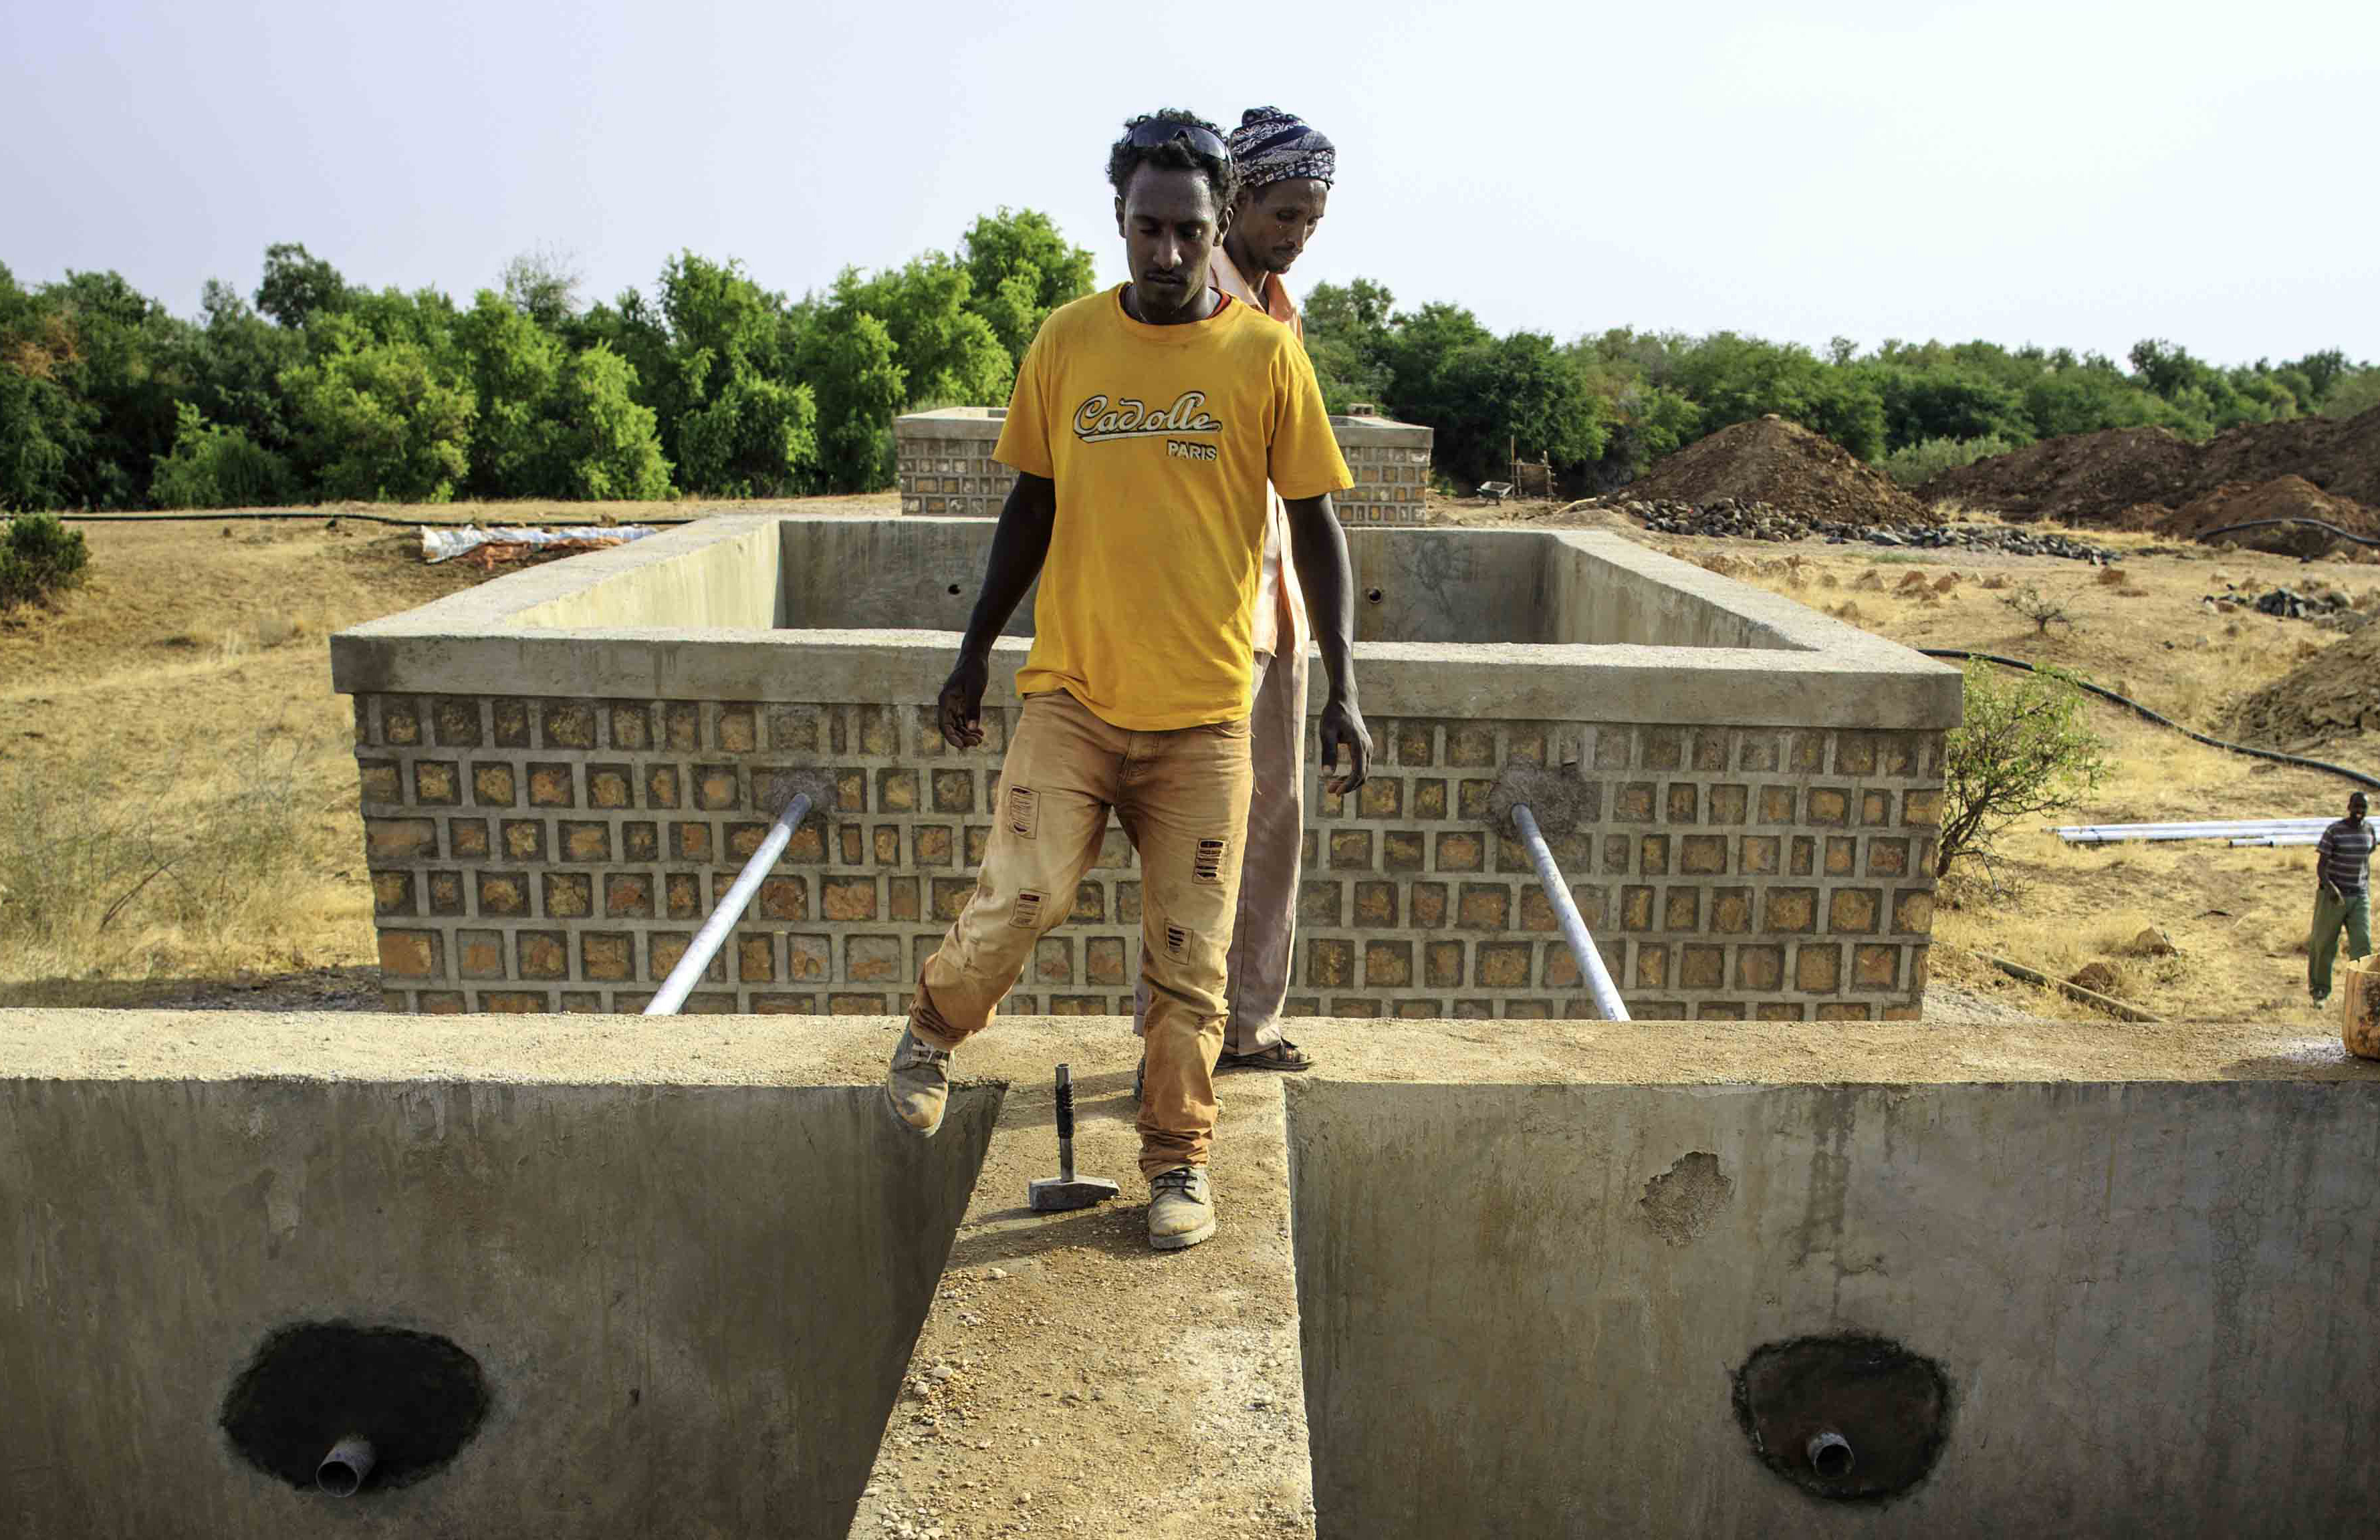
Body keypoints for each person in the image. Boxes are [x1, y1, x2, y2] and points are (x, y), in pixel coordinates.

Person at [883, 109, 1371, 1253]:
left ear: (1217, 230)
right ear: (1119, 219)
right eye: (1145, 229)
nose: (1164, 254)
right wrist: (971, 652)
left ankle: (1178, 1163)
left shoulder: (1265, 355)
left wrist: (1344, 681)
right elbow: (1030, 505)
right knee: (1024, 893)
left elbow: (1318, 526)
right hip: (1074, 701)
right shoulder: (1066, 343)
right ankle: (930, 1034)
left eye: (1186, 232)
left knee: (1189, 960)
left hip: (1206, 721)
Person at [1129, 106, 1338, 1083]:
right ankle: (1183, 1040)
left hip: (1273, 613)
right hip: (1211, 626)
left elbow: (1308, 504)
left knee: (1269, 827)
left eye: (1314, 218)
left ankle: (1243, 1024)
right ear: (1240, 200)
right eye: (1286, 211)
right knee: (1200, 842)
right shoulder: (1200, 310)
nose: (1298, 233)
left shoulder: (1275, 312)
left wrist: (1339, 670)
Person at [2309, 791, 2373, 1005]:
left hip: (2359, 896)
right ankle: (2320, 991)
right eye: (2356, 807)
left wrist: (2366, 888)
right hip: (2333, 896)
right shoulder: (2334, 831)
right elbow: (2321, 867)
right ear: (2348, 807)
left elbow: (2366, 861)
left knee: (2362, 944)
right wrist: (2331, 889)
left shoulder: (2369, 830)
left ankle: (2363, 993)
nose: (2359, 812)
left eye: (2363, 808)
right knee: (2325, 942)